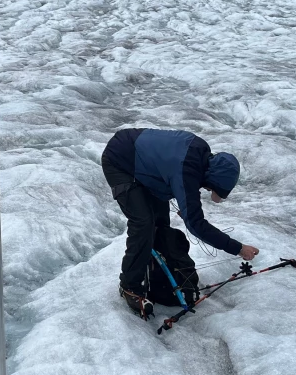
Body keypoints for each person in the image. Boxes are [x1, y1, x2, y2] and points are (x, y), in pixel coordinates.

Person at [101, 127, 259, 320]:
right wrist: (238, 248)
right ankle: (129, 286)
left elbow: (172, 172)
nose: (207, 189)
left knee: (160, 223)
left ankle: (157, 278)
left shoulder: (201, 157)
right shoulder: (187, 171)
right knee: (143, 223)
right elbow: (196, 224)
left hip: (143, 163)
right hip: (120, 160)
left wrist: (187, 209)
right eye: (210, 187)